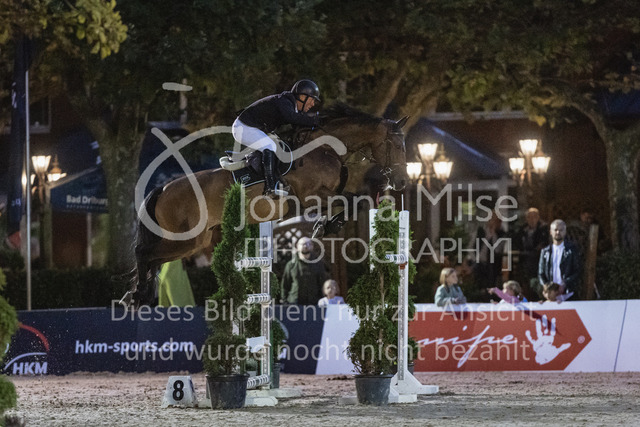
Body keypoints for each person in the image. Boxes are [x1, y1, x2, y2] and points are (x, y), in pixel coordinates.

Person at [232, 79, 321, 196]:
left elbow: (297, 123)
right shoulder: (284, 101)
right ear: (302, 97)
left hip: (254, 128)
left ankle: (275, 178)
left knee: (278, 146)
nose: (313, 104)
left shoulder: (290, 104)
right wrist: (314, 120)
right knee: (269, 146)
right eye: (312, 99)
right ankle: (270, 187)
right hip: (244, 127)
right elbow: (292, 118)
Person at [538, 219, 582, 298]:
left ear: (565, 232)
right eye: (555, 230)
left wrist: (565, 284)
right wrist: (546, 287)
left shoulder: (572, 250)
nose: (558, 232)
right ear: (550, 232)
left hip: (568, 294)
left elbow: (577, 271)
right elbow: (541, 273)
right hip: (551, 295)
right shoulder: (545, 252)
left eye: (561, 230)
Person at [281, 237, 329, 305]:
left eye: (308, 244)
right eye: (303, 244)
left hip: (314, 303)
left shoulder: (318, 264)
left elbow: (322, 284)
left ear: (312, 246)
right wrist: (285, 301)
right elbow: (285, 285)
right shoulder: (291, 265)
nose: (306, 246)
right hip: (294, 303)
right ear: (297, 246)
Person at [515, 207, 548, 296]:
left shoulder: (543, 228)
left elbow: (543, 243)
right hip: (524, 258)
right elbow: (517, 242)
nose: (531, 219)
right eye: (529, 217)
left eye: (534, 217)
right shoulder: (523, 229)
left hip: (538, 259)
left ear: (538, 218)